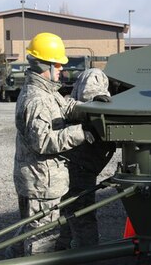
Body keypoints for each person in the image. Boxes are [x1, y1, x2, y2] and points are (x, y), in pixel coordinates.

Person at [6, 32, 98, 257]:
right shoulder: (35, 99)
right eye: (58, 65)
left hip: (44, 180)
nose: (62, 70)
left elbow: (65, 106)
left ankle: (13, 258)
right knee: (42, 240)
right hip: (40, 183)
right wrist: (81, 132)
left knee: (33, 229)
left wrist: (91, 108)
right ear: (44, 65)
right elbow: (44, 141)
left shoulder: (46, 91)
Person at [56, 68, 116, 250]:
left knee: (68, 213)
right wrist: (97, 100)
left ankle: (62, 249)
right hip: (79, 163)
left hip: (82, 163)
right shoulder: (95, 74)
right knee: (80, 214)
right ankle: (84, 254)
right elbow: (88, 95)